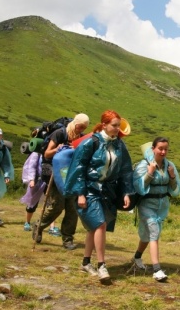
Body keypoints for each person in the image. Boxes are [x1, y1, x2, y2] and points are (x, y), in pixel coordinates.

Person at [64, 110, 134, 281]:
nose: (118, 129)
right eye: (114, 125)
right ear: (104, 125)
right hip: (89, 189)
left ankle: (86, 262)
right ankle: (102, 265)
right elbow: (78, 168)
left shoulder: (119, 145)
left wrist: (126, 192)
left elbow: (125, 170)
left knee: (94, 227)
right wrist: (80, 193)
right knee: (100, 224)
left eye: (119, 126)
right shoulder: (90, 143)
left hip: (108, 191)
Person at [32, 113, 89, 250]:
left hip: (71, 173)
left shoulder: (81, 138)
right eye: (80, 126)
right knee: (57, 205)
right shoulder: (59, 133)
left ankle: (68, 239)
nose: (81, 129)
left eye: (84, 128)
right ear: (75, 123)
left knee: (72, 207)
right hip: (53, 171)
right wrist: (58, 149)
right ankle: (39, 225)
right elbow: (47, 153)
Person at [131, 136, 180, 281]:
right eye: (160, 148)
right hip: (146, 204)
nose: (163, 152)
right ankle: (157, 269)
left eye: (166, 149)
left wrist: (171, 177)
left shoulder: (170, 166)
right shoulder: (143, 165)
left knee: (149, 234)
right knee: (154, 232)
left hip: (162, 205)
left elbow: (175, 188)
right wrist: (149, 173)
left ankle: (137, 257)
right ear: (153, 149)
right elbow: (139, 187)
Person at [20, 151, 58, 234]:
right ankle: (27, 222)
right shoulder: (37, 153)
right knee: (32, 202)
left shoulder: (55, 151)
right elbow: (31, 166)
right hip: (38, 180)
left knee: (51, 204)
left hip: (50, 181)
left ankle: (52, 227)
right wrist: (32, 179)